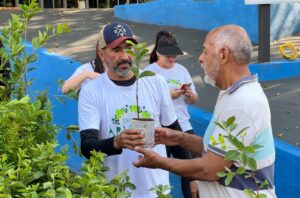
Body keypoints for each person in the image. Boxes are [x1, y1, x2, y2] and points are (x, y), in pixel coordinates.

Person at [133, 25, 276, 198]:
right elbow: (215, 149)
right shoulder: (232, 94)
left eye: (206, 52)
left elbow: (209, 169)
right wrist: (178, 137)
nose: (200, 58)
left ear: (223, 55)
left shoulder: (242, 103)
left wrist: (160, 162)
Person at [78, 22, 181, 198]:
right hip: (114, 190)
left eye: (129, 48)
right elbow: (88, 147)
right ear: (102, 54)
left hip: (156, 190)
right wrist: (116, 142)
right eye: (116, 50)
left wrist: (192, 177)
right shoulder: (92, 91)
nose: (125, 56)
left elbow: (175, 131)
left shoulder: (155, 82)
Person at [146, 31, 199, 198]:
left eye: (174, 56)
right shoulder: (148, 73)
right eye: (168, 56)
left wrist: (191, 95)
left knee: (192, 173)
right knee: (155, 174)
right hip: (159, 130)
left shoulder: (182, 70)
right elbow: (143, 104)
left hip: (183, 126)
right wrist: (168, 95)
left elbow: (194, 100)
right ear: (157, 53)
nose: (172, 59)